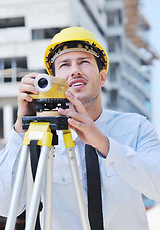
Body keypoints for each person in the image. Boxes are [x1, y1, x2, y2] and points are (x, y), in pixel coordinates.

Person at [0, 27, 160, 230]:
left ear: (102, 77)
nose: (75, 70)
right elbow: (5, 206)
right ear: (54, 82)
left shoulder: (136, 127)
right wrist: (21, 129)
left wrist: (103, 144)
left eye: (84, 61)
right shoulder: (41, 137)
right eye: (64, 65)